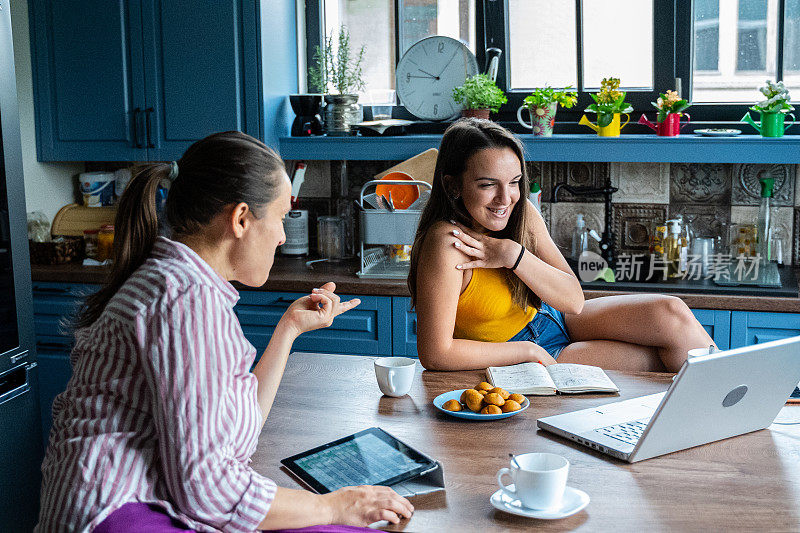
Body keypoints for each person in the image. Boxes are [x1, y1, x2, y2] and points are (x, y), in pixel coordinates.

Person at [36, 131, 413, 532]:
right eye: (281, 217)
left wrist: (288, 330)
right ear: (240, 219)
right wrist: (335, 506)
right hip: (117, 515)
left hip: (122, 503)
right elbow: (208, 489)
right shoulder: (185, 301)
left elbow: (232, 442)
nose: (284, 235)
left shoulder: (178, 283)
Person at [408, 118, 715, 373]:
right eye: (488, 184)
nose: (506, 198)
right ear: (453, 185)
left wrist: (511, 254)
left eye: (514, 182)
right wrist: (525, 351)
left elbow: (574, 301)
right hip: (523, 350)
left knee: (671, 311)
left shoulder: (521, 213)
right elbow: (436, 353)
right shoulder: (447, 243)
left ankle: (742, 403)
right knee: (664, 363)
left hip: (554, 316)